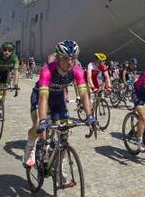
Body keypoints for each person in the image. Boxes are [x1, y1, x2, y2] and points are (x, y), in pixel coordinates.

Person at [23, 40, 94, 172]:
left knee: (63, 135)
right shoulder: (47, 71)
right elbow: (43, 97)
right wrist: (43, 121)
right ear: (58, 58)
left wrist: (89, 116)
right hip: (40, 96)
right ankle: (30, 145)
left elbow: (84, 94)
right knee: (39, 125)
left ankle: (62, 170)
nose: (70, 62)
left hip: (58, 99)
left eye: (73, 59)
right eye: (66, 58)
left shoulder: (77, 70)